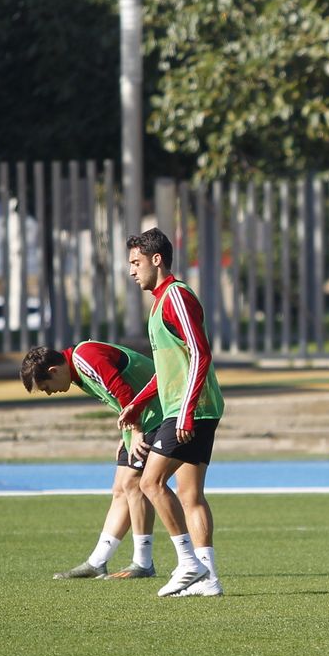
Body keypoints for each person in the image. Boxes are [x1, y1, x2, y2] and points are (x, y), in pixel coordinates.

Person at [118, 228, 224, 599]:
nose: (131, 270)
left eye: (135, 262)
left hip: (189, 409)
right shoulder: (160, 301)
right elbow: (168, 369)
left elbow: (199, 353)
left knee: (149, 482)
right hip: (189, 407)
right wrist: (139, 401)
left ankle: (188, 563)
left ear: (156, 259)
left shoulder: (176, 296)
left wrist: (186, 413)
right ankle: (209, 579)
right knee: (190, 495)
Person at [21, 342, 161, 580]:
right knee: (120, 489)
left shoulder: (85, 357)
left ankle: (143, 562)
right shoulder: (76, 373)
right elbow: (119, 398)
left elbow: (122, 390)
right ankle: (97, 562)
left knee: (132, 483)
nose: (49, 392)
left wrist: (135, 431)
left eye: (46, 387)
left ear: (54, 371)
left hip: (158, 412)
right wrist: (126, 433)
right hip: (141, 417)